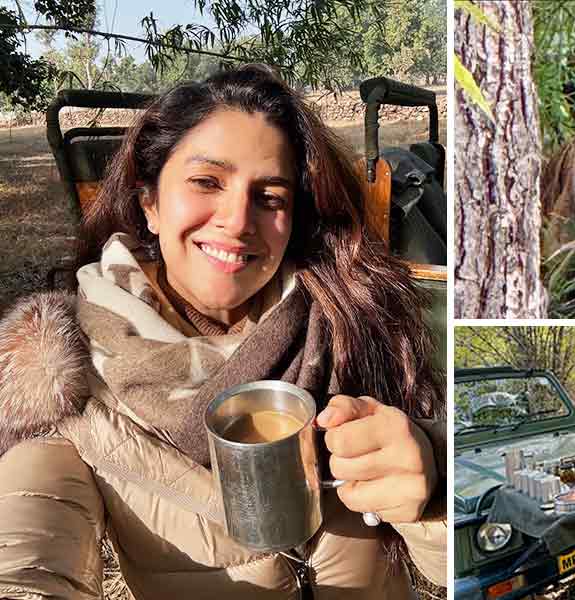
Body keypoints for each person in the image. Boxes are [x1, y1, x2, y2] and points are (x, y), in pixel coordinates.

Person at [0, 64, 445, 599]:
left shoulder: (359, 314)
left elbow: (460, 561)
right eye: (207, 182)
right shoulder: (63, 380)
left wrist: (436, 479)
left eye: (270, 196)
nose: (237, 220)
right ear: (150, 204)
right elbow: (28, 543)